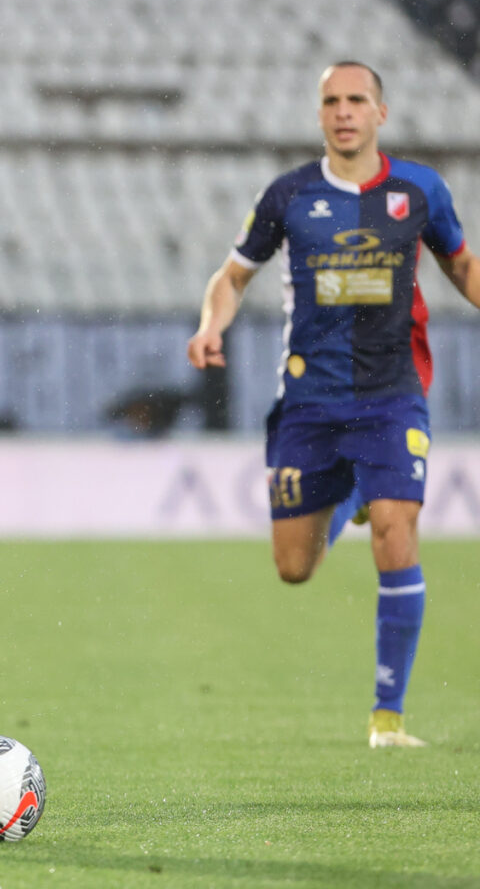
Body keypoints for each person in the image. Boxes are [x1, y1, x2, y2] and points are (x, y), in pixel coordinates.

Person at [187, 61, 480, 749]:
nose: (343, 111)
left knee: (396, 530)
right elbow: (232, 277)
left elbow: (462, 264)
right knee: (294, 567)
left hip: (392, 395)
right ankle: (345, 498)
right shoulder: (287, 196)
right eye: (331, 102)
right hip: (309, 402)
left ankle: (388, 717)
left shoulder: (419, 190)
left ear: (382, 111)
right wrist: (210, 325)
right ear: (320, 114)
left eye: (356, 100)